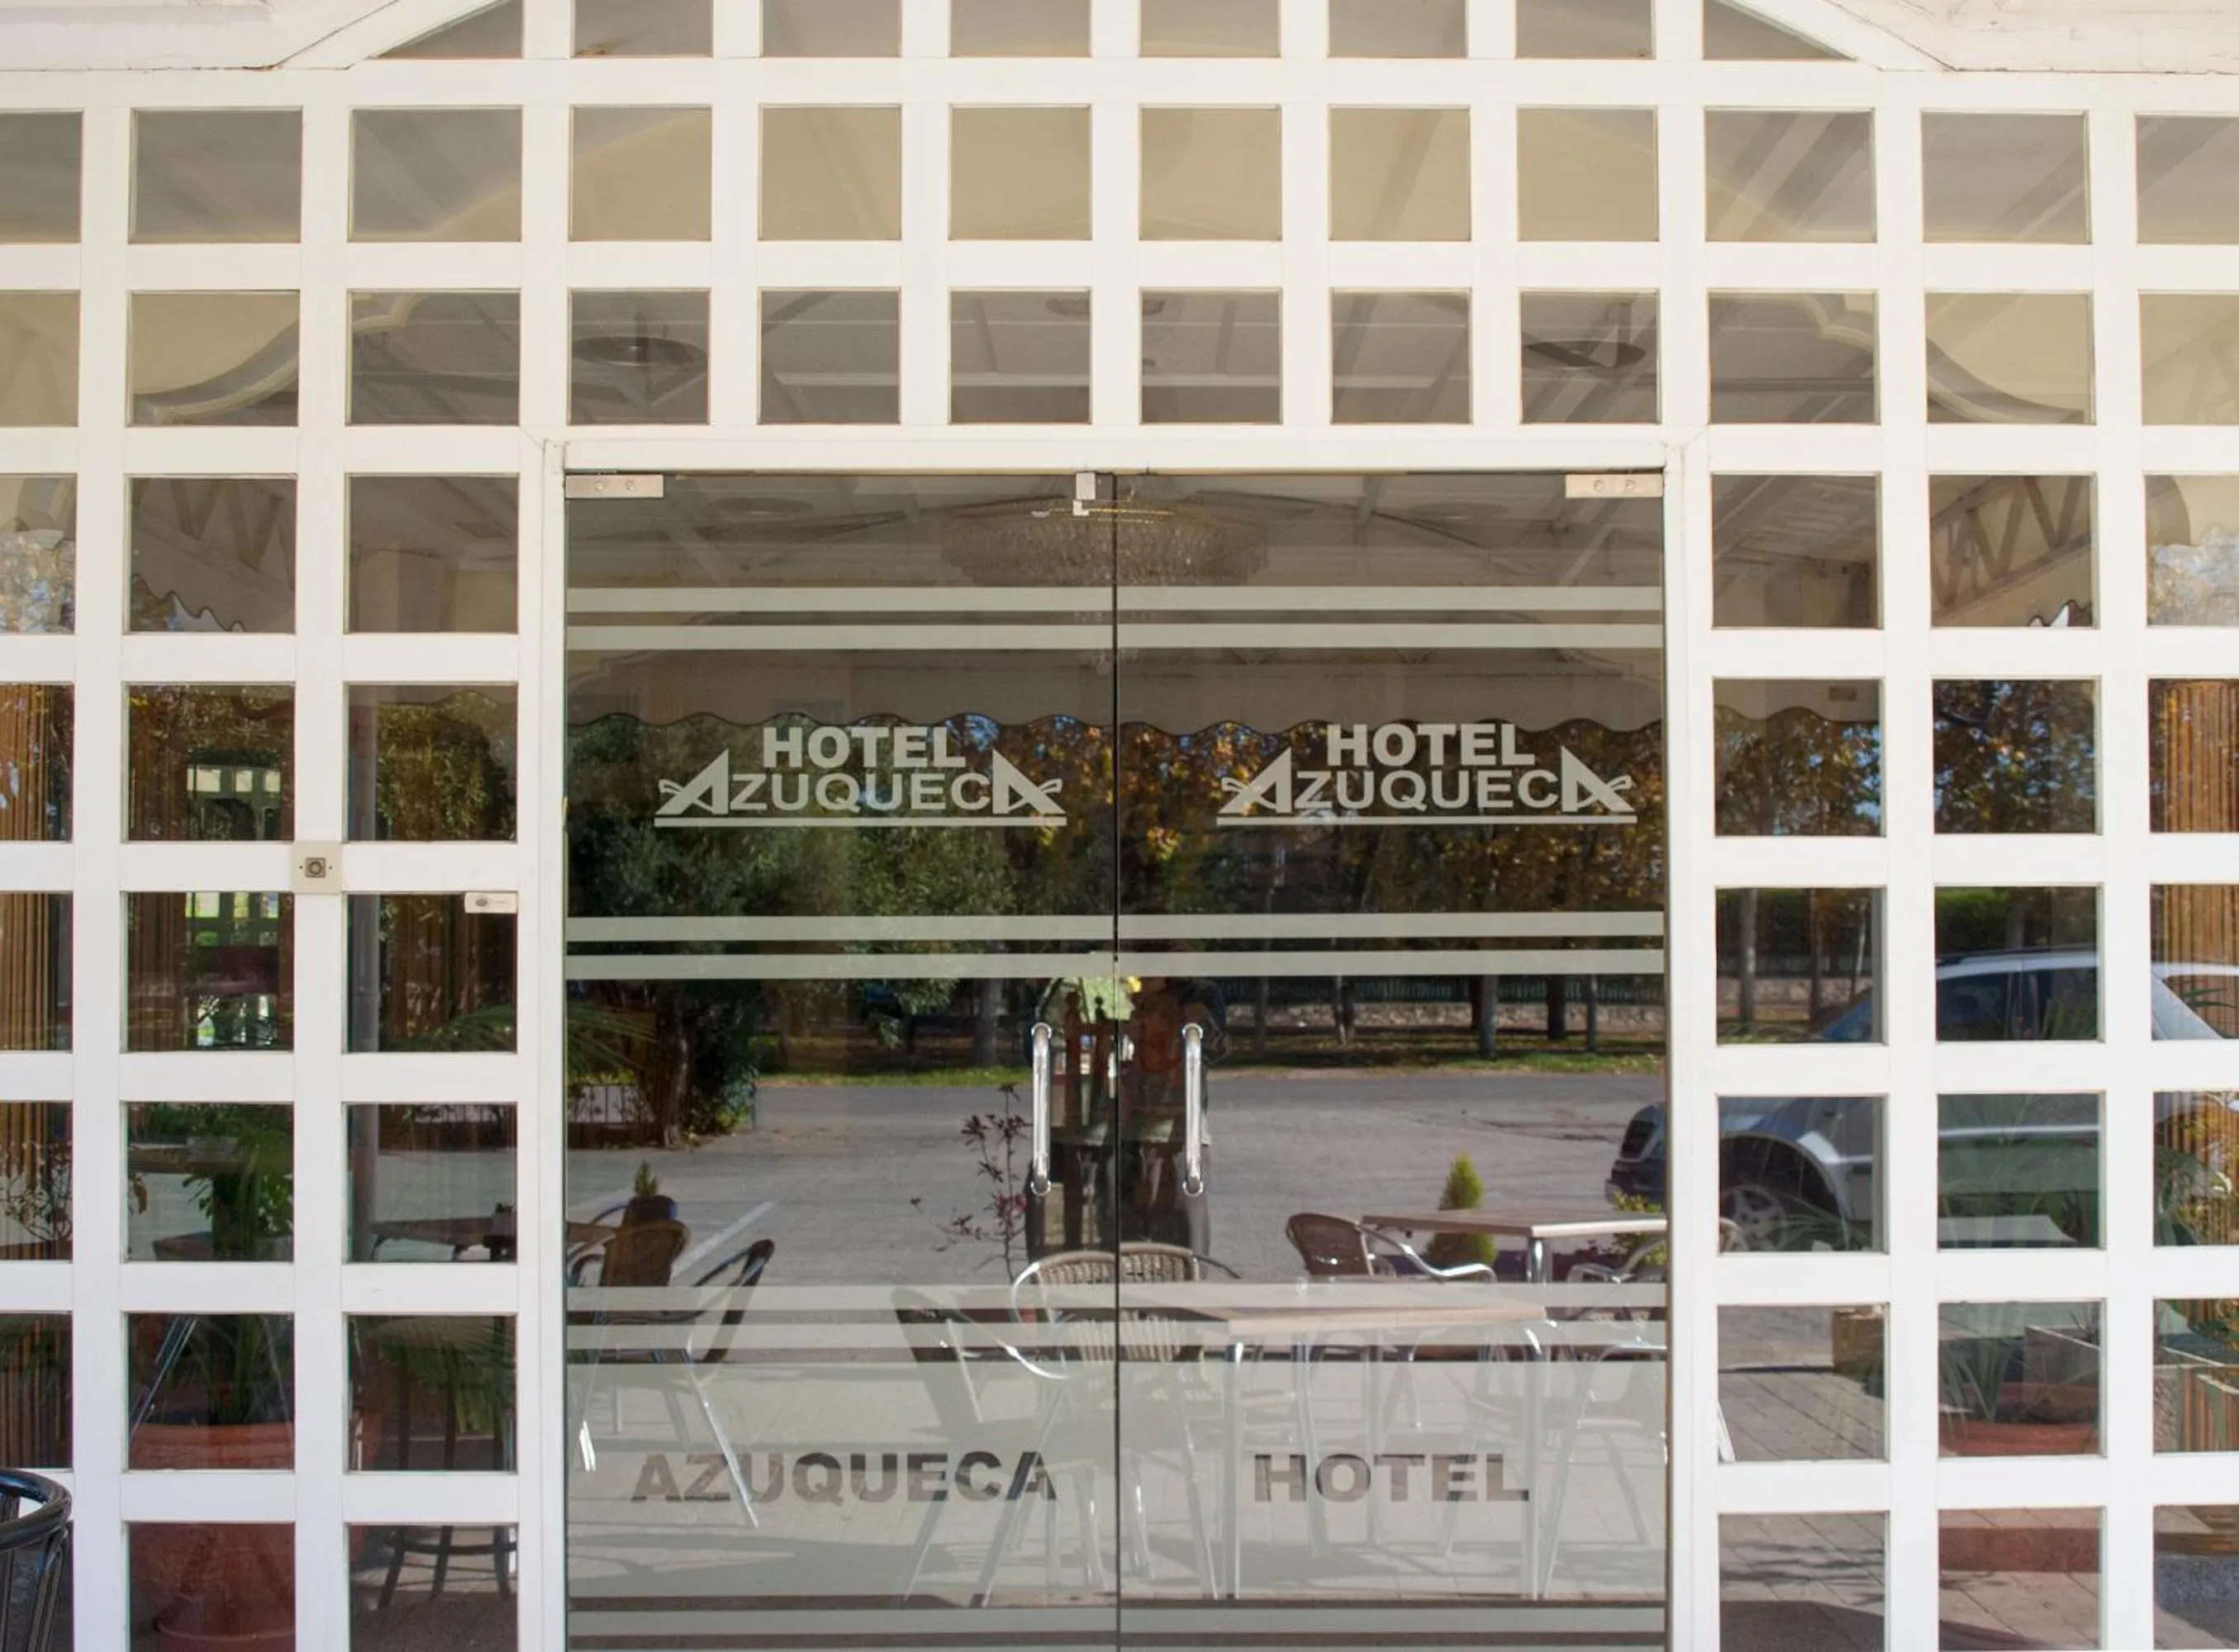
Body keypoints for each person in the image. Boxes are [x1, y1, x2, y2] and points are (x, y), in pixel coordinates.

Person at [1120, 975, 1226, 1254]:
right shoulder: (1124, 993)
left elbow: (1218, 1048)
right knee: (1134, 1238)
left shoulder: (1198, 997)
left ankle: (1188, 1287)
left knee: (1184, 1232)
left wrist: (1190, 1024)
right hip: (1129, 1129)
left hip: (1180, 1132)